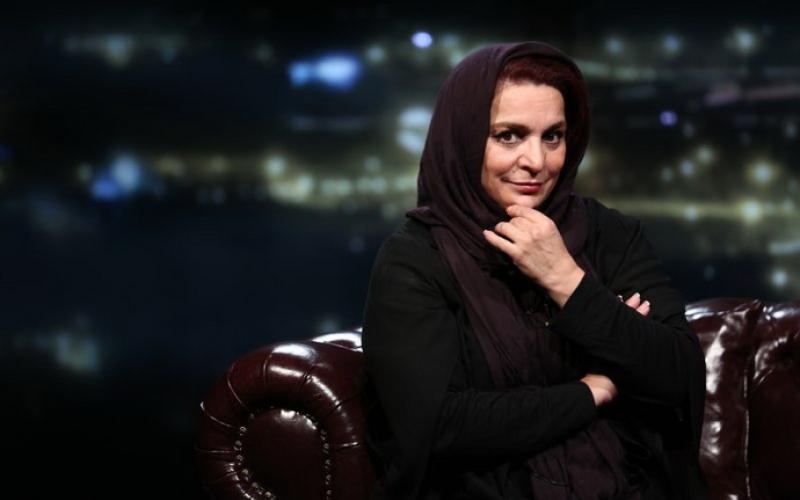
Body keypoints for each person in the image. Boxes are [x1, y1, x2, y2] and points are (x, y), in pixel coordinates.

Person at [361, 41, 707, 500]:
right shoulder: (415, 259)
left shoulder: (609, 234)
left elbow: (679, 377)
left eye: (553, 136)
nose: (537, 162)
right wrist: (594, 390)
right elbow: (439, 426)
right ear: (464, 140)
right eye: (509, 135)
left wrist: (566, 280)